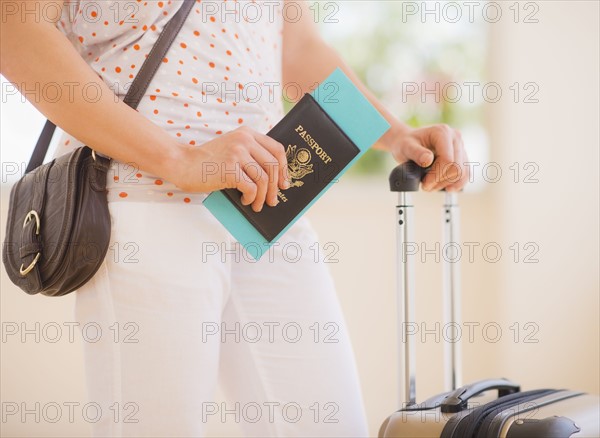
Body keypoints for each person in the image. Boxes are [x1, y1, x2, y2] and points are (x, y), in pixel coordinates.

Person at [1, 0, 468, 436]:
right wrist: (178, 159)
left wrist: (397, 135)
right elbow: (16, 28)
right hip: (143, 203)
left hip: (266, 205)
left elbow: (296, 45)